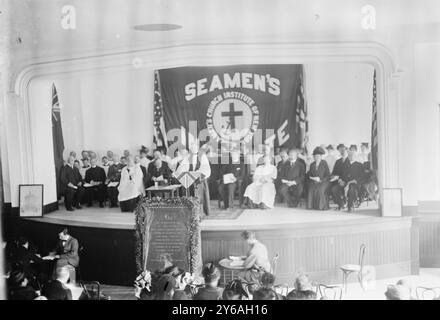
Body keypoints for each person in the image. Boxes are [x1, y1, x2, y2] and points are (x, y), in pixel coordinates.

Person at [189, 146, 211, 216]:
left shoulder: (202, 156)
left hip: (200, 179)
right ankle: (192, 212)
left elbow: (206, 168)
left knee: (200, 196)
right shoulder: (188, 157)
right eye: (192, 148)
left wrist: (198, 173)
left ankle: (201, 212)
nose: (193, 149)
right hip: (191, 178)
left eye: (195, 147)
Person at [343, 145, 366, 211]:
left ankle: (350, 206)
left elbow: (362, 176)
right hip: (346, 182)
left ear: (355, 156)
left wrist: (355, 180)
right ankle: (342, 204)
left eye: (352, 155)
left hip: (355, 183)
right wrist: (342, 180)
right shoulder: (345, 164)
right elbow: (343, 174)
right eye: (349, 155)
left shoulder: (359, 165)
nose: (350, 157)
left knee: (351, 189)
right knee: (336, 188)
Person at [330, 144, 350, 210]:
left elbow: (351, 174)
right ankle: (341, 204)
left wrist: (345, 181)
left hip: (348, 182)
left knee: (345, 189)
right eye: (341, 151)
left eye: (344, 150)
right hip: (339, 181)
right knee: (334, 189)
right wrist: (337, 179)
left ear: (347, 150)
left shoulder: (350, 161)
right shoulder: (337, 162)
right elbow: (334, 173)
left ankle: (345, 202)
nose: (342, 152)